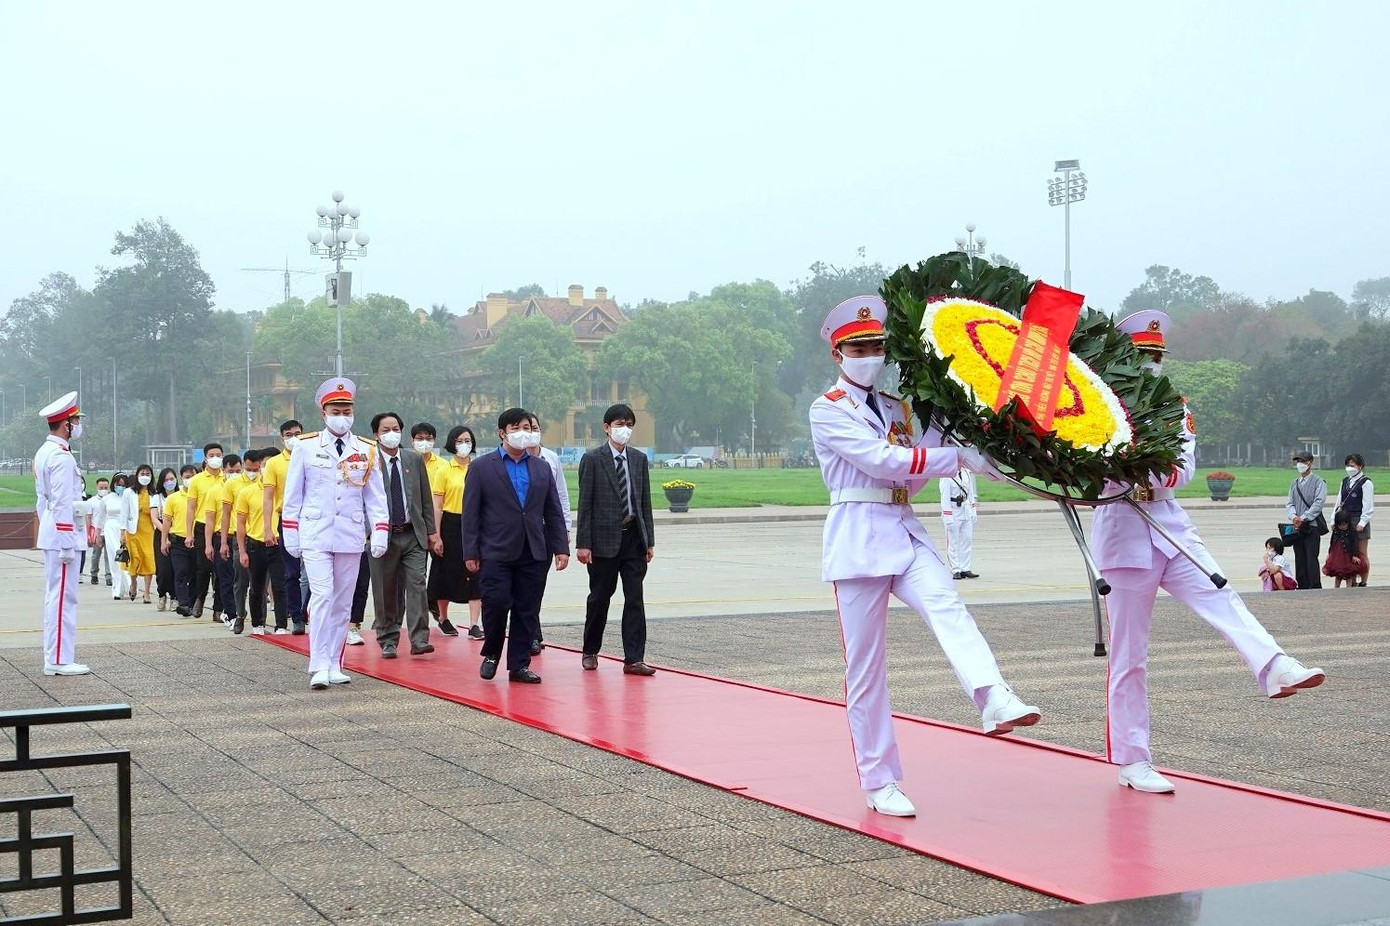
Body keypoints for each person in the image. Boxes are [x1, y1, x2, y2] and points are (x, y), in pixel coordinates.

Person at [809, 295, 1039, 818]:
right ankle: (879, 779)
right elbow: (881, 459)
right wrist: (953, 456)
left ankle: (992, 696)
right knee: (866, 670)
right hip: (858, 537)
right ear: (837, 353)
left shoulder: (898, 408)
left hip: (904, 528)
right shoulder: (827, 409)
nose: (869, 354)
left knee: (948, 606)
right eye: (858, 346)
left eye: (877, 346)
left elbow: (915, 467)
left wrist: (969, 430)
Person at [1092, 310, 1325, 795]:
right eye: (1143, 355)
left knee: (1222, 596)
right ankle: (1133, 760)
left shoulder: (1175, 406)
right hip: (1123, 533)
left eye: (1158, 355)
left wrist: (1145, 471)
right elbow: (1090, 471)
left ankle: (1274, 665)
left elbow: (1184, 468)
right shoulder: (1097, 405)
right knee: (1129, 655)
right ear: (1122, 358)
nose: (1152, 363)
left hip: (1171, 525)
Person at [281, 378, 389, 690]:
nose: (342, 415)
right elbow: (293, 496)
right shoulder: (305, 446)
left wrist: (379, 532)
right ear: (324, 414)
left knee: (343, 602)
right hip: (315, 532)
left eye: (347, 409)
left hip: (350, 534)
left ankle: (334, 663)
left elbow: (376, 497)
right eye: (335, 409)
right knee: (322, 596)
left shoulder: (366, 450)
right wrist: (292, 533)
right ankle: (317, 663)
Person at [462, 408, 569, 684]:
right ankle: (492, 654)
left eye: (528, 428)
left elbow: (553, 510)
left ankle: (519, 664)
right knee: (496, 605)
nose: (525, 433)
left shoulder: (541, 466)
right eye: (517, 428)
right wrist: (470, 551)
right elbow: (471, 513)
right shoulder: (482, 467)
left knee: (527, 609)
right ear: (502, 433)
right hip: (495, 550)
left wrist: (561, 547)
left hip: (533, 550)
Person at [576, 403, 656, 675]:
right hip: (603, 543)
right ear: (607, 427)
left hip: (633, 538)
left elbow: (645, 503)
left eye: (629, 425)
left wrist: (649, 541)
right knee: (600, 597)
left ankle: (634, 658)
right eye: (620, 424)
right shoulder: (593, 458)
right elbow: (585, 504)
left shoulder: (638, 459)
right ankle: (590, 650)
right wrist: (583, 543)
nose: (625, 430)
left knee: (634, 597)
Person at [368, 412, 440, 658]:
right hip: (382, 537)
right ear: (376, 434)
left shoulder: (413, 459)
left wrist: (432, 532)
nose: (391, 433)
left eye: (396, 428)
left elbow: (425, 500)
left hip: (413, 535)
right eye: (385, 429)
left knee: (417, 585)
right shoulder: (368, 461)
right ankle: (388, 638)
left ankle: (419, 639)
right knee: (385, 589)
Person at [34, 391, 90, 676]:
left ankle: (57, 656)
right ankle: (58, 659)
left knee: (57, 596)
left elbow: (42, 503)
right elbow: (61, 503)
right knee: (63, 599)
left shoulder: (45, 453)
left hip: (52, 533)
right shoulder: (61, 458)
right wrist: (67, 542)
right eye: (76, 420)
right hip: (62, 537)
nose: (78, 425)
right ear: (66, 424)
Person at [428, 425, 483, 640]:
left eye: (468, 440)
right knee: (445, 573)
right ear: (452, 443)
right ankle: (443, 617)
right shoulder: (444, 469)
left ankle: (474, 624)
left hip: (474, 524)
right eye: (460, 440)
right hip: (450, 524)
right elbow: (438, 505)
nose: (464, 445)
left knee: (476, 572)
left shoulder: (478, 467)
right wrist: (436, 534)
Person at [527, 412, 570, 654]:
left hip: (546, 530)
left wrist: (564, 532)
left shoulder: (551, 459)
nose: (531, 432)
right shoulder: (516, 461)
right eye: (526, 427)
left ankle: (533, 631)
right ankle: (532, 633)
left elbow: (561, 497)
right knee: (527, 584)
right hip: (523, 531)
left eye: (534, 427)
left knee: (537, 583)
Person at [237, 449, 287, 635]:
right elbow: (241, 525)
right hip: (255, 545)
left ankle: (281, 625)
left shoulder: (284, 492)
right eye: (265, 465)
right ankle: (258, 625)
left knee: (280, 586)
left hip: (278, 544)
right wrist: (242, 551)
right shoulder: (247, 493)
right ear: (259, 466)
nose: (268, 468)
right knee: (256, 588)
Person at [262, 419, 306, 633]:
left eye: (297, 433)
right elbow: (268, 498)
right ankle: (296, 617)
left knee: (318, 572)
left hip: (311, 519)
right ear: (282, 437)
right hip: (286, 521)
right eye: (289, 434)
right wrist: (269, 528)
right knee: (291, 573)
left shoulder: (311, 456)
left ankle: (311, 612)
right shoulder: (274, 463)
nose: (293, 438)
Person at [184, 443, 228, 620]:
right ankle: (200, 598)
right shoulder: (197, 480)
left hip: (221, 528)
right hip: (202, 527)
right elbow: (190, 508)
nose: (215, 458)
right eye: (212, 455)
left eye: (218, 454)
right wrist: (189, 533)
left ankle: (219, 608)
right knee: (203, 568)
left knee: (220, 571)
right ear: (205, 458)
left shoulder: (227, 479)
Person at [219, 451, 258, 632]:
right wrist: (224, 541)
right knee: (240, 580)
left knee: (259, 583)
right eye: (249, 468)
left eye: (256, 469)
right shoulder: (232, 484)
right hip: (239, 538)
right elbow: (226, 514)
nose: (252, 472)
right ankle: (239, 615)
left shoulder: (265, 482)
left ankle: (260, 620)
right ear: (243, 465)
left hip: (259, 537)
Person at [1284, 450, 1326, 590]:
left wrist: (1304, 517)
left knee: (1311, 558)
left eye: (1303, 462)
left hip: (1311, 525)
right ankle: (1302, 586)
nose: (1300, 465)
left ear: (1310, 463)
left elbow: (1318, 503)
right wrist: (1294, 516)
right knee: (1299, 558)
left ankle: (1314, 586)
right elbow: (1289, 502)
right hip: (1297, 526)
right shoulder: (1294, 483)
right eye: (1298, 462)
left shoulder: (1319, 482)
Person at [163, 465, 199, 616]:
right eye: (186, 476)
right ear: (181, 477)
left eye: (193, 476)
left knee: (196, 574)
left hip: (197, 540)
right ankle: (183, 604)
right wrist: (163, 540)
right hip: (178, 541)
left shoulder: (202, 496)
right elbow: (167, 520)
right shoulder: (173, 498)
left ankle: (192, 602)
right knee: (181, 572)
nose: (189, 479)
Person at [121, 463, 158, 604]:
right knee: (134, 559)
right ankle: (133, 582)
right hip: (133, 531)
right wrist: (122, 532)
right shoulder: (129, 493)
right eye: (142, 474)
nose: (145, 477)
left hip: (149, 531)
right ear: (137, 476)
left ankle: (147, 593)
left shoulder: (154, 494)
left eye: (148, 474)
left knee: (149, 559)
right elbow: (124, 513)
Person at [1336, 453, 1373, 587]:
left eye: (1353, 465)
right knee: (1349, 551)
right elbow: (1338, 502)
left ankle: (1363, 580)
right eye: (1348, 465)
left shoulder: (1366, 482)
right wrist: (1334, 520)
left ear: (1360, 466)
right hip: (1345, 520)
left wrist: (1362, 522)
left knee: (1362, 553)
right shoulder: (1345, 481)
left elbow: (1368, 505)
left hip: (1359, 519)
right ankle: (1352, 580)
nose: (1350, 467)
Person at [939, 465, 979, 580]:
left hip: (966, 510)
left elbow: (970, 493)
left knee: (967, 540)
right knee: (953, 542)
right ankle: (956, 569)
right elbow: (944, 498)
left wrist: (973, 510)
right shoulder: (946, 476)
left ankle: (966, 568)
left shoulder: (966, 473)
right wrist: (948, 516)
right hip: (953, 510)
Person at [99, 473, 131, 601]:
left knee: (125, 558)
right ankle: (117, 589)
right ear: (114, 484)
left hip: (125, 529)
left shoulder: (130, 497)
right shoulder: (106, 499)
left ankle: (129, 586)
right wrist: (98, 534)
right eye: (118, 484)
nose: (121, 487)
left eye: (123, 485)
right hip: (111, 528)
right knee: (115, 559)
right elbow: (101, 519)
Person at [152, 467, 178, 611]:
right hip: (161, 533)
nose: (169, 482)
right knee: (163, 568)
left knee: (176, 568)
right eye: (166, 480)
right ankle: (162, 594)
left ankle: (175, 597)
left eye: (172, 479)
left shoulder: (181, 495)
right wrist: (166, 533)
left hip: (177, 533)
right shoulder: (157, 498)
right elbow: (154, 519)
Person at [1322, 510, 1363, 588]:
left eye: (1345, 525)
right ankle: (1336, 587)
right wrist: (1329, 553)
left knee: (1349, 573)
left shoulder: (1352, 531)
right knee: (1338, 574)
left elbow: (1354, 544)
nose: (1343, 527)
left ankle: (1349, 587)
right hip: (1337, 556)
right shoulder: (1336, 531)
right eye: (1340, 525)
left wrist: (1354, 555)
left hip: (1348, 555)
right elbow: (1332, 542)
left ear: (1348, 523)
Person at [88, 476, 111, 586]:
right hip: (97, 532)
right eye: (101, 487)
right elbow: (88, 517)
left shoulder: (111, 500)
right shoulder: (91, 501)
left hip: (109, 531)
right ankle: (94, 574)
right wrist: (89, 533)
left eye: (106, 487)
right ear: (97, 487)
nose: (103, 489)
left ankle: (109, 575)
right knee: (96, 555)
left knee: (109, 555)